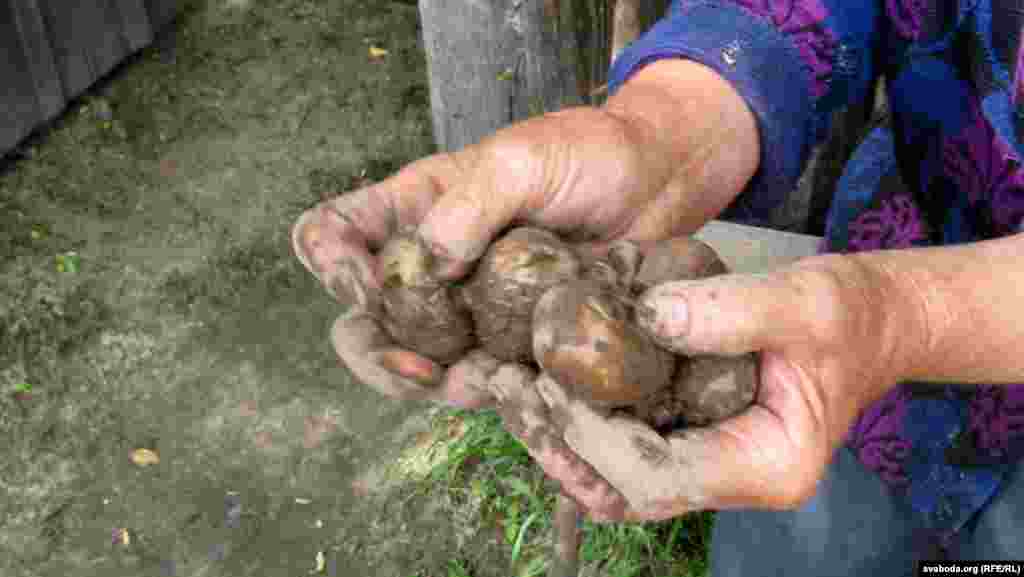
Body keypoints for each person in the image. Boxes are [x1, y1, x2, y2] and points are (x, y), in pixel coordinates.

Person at [292, 0, 1024, 573]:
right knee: (794, 553)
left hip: (892, 353)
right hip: (870, 354)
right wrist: (661, 133)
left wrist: (905, 316)